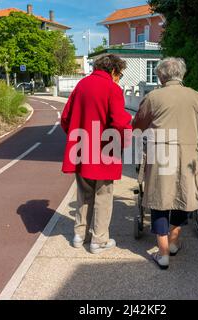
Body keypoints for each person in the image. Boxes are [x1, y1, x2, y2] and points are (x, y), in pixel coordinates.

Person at [132, 57, 198, 270]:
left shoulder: (153, 97)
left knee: (160, 199)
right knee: (183, 195)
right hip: (188, 152)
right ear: (182, 75)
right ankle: (173, 242)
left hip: (161, 151)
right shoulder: (196, 97)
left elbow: (138, 125)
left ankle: (162, 254)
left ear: (161, 76)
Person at [61, 54, 132, 254]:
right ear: (113, 70)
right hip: (104, 150)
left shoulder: (81, 85)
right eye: (119, 74)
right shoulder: (112, 89)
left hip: (82, 147)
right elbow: (119, 122)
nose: (119, 78)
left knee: (84, 192)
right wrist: (125, 142)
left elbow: (66, 118)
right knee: (103, 194)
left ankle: (78, 235)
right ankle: (98, 240)